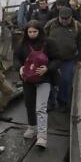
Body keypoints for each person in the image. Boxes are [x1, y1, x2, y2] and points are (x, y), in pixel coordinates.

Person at [16, 20, 60, 149]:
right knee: (29, 104)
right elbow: (16, 58)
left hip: (44, 79)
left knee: (41, 107)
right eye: (29, 32)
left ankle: (42, 135)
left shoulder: (49, 43)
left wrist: (47, 68)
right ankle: (32, 127)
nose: (32, 34)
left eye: (35, 31)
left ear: (40, 31)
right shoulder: (22, 44)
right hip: (27, 79)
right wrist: (19, 68)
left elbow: (57, 59)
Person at [44, 7, 81, 112]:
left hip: (68, 59)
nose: (63, 20)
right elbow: (42, 38)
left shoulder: (77, 26)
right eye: (61, 18)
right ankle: (50, 101)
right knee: (47, 80)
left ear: (71, 17)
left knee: (66, 80)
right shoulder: (51, 24)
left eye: (66, 19)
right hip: (52, 58)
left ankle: (62, 101)